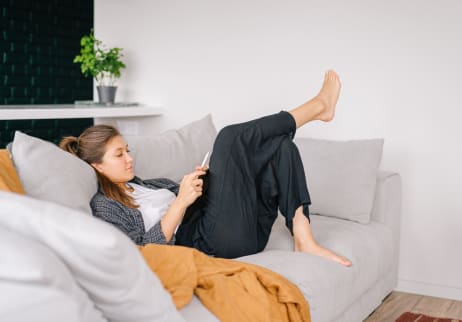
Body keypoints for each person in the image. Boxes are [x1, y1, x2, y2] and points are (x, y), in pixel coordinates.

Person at [60, 70, 352, 267]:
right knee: (229, 137)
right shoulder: (105, 206)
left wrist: (199, 182)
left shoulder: (146, 184)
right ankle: (317, 107)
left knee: (279, 146)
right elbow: (140, 253)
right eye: (118, 154)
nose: (129, 159)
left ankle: (303, 235)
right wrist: (182, 202)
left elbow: (203, 203)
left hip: (238, 227)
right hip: (207, 244)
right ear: (96, 165)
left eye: (128, 150)